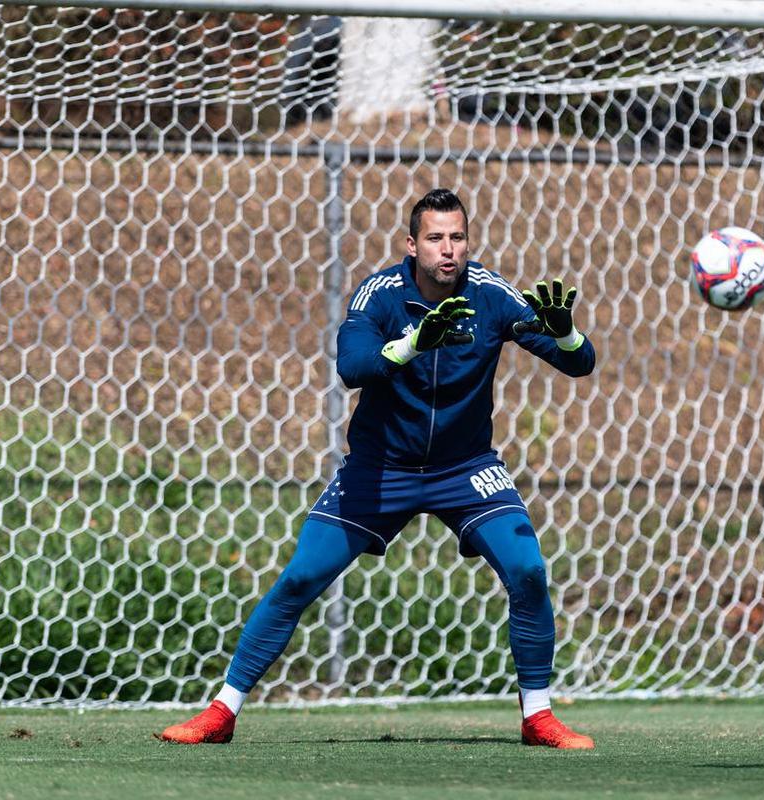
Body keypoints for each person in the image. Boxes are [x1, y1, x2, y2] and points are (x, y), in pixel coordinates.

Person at [160, 188, 597, 749]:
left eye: (457, 237)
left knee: (528, 570)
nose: (448, 249)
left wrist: (564, 332)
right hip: (381, 468)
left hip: (465, 468)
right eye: (435, 238)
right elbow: (352, 367)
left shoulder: (491, 294)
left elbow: (579, 363)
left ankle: (538, 717)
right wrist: (415, 342)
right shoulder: (380, 294)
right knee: (300, 578)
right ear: (412, 245)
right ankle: (221, 712)